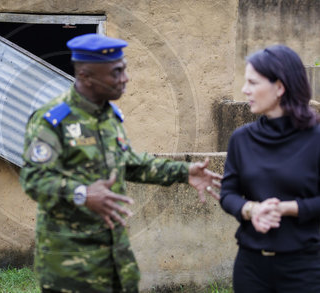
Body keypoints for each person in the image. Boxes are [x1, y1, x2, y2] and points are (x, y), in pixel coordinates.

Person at [19, 33, 222, 293]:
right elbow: (33, 180)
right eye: (116, 73)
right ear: (86, 77)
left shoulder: (110, 116)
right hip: (71, 264)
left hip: (116, 257)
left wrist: (183, 172)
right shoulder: (53, 120)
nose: (125, 78)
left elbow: (128, 163)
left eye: (124, 70)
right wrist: (82, 194)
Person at [219, 45, 320, 293]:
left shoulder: (316, 139)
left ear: (279, 87)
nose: (245, 90)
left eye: (253, 82)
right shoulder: (241, 139)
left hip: (305, 268)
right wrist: (251, 209)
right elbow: (227, 194)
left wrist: (288, 208)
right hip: (251, 267)